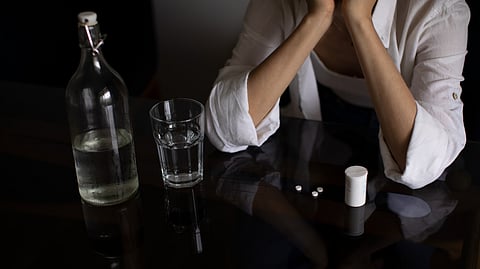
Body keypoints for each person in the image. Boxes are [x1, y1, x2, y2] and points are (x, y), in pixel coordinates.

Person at [205, 0, 470, 189]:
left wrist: (360, 21)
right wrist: (317, 18)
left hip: (398, 149)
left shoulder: (441, 10)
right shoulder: (279, 4)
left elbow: (424, 161)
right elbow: (225, 128)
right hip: (319, 133)